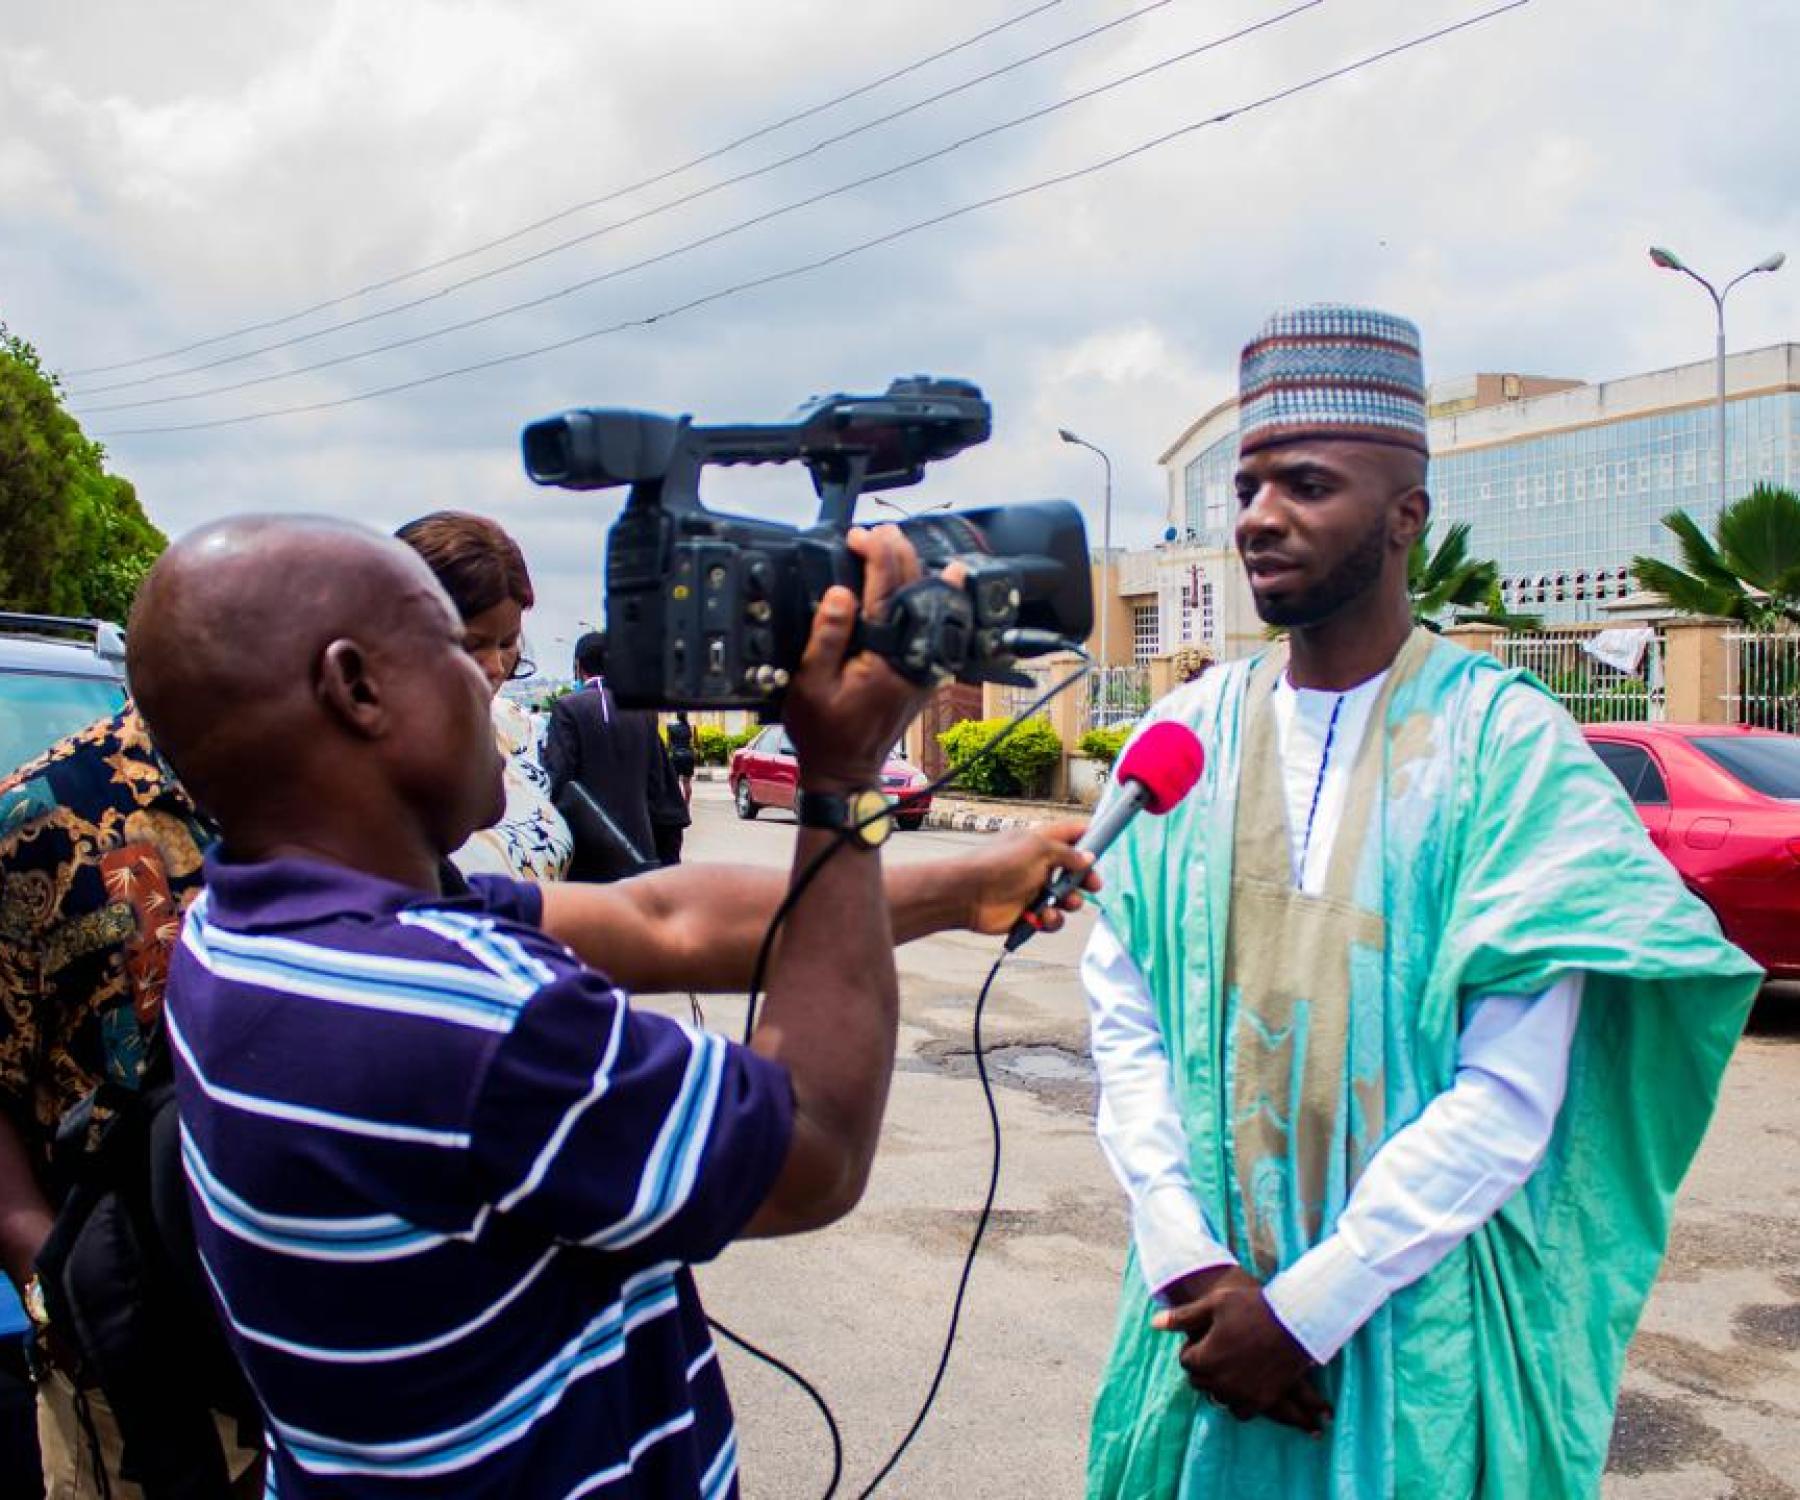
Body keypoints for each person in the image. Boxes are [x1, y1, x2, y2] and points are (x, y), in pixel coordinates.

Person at [126, 514, 1095, 1498]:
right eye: (456, 647)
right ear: (356, 688)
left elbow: (662, 919)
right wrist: (840, 784)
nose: (495, 684)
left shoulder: (245, 933)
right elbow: (814, 1145)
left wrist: (959, 889)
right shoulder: (462, 1017)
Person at [1081, 305, 1763, 1500]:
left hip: (1409, 1340)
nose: (1258, 517)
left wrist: (1308, 1310)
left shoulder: (1510, 749)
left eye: (1305, 484)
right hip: (1195, 1333)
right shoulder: (1181, 738)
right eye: (1246, 487)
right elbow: (1126, 1026)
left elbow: (1510, 1092)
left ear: (1408, 516)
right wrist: (1191, 1266)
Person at [0, 708, 261, 1497]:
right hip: (131, 1374)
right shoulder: (42, 818)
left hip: (313, 1352)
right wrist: (50, 1288)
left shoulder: (333, 791)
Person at [396, 510, 573, 883]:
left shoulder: (514, 729)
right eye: (469, 644)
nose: (494, 666)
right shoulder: (368, 762)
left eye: (507, 643)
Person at [543, 632, 673, 875]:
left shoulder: (567, 707)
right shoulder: (643, 710)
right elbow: (657, 784)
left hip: (586, 849)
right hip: (639, 845)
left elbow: (558, 778)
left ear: (578, 666)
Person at [667, 712, 697, 806]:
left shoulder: (670, 727)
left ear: (677, 716)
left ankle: (676, 805)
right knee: (687, 782)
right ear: (686, 716)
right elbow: (695, 743)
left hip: (675, 756)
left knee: (674, 783)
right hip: (688, 756)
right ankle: (686, 805)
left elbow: (669, 744)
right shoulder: (692, 727)